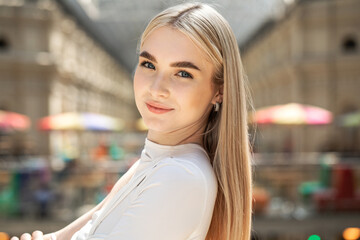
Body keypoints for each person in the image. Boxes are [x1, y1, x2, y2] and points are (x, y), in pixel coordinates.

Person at [11, 2, 253, 240]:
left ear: (219, 90)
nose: (157, 89)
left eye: (183, 73)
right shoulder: (150, 163)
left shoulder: (180, 176)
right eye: (149, 64)